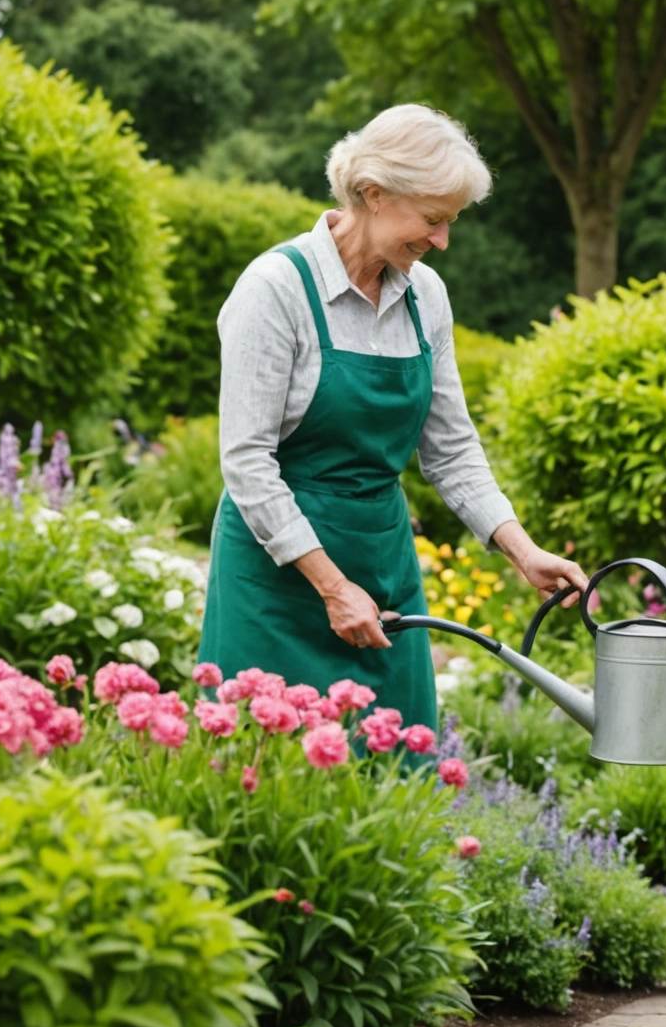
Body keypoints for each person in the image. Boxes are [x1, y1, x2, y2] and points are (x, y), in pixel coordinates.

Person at [198, 103, 587, 740]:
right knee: (270, 772)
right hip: (277, 581)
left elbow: (450, 449)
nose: (442, 241)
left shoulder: (425, 295)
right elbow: (246, 463)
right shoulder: (276, 289)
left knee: (396, 767)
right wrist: (330, 586)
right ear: (375, 194)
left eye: (450, 222)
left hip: (383, 570)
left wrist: (523, 552)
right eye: (434, 220)